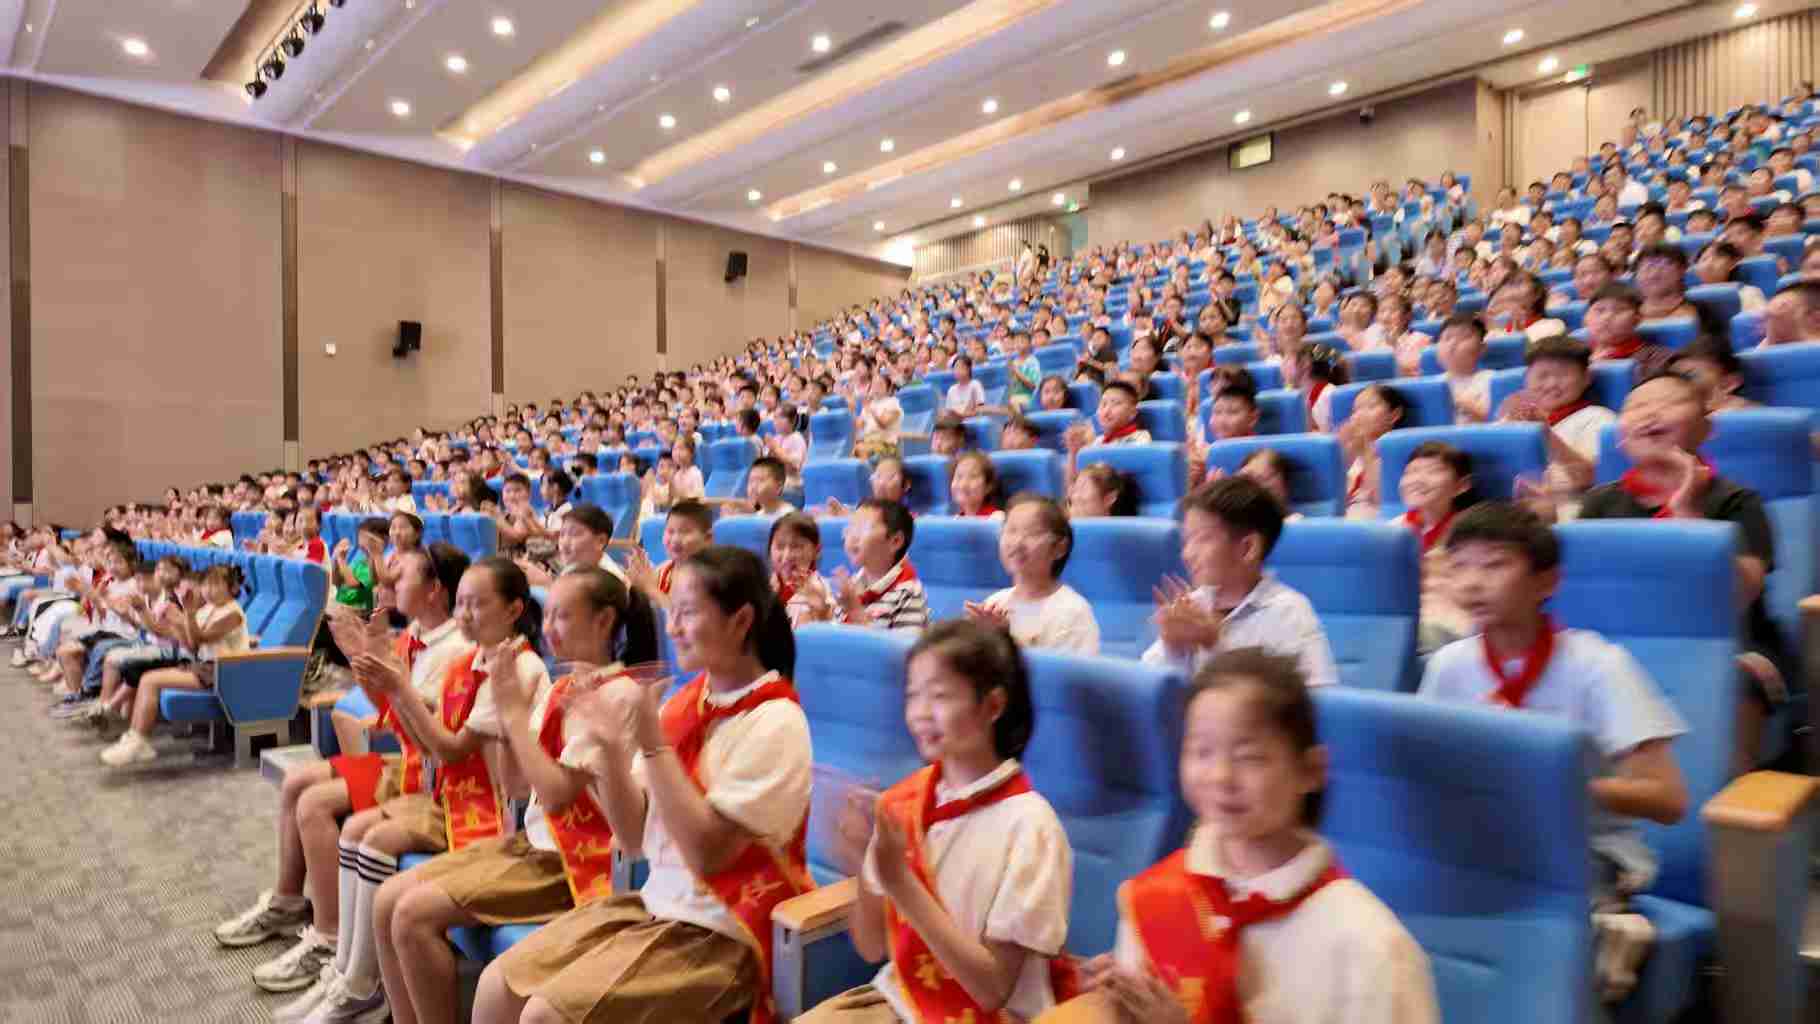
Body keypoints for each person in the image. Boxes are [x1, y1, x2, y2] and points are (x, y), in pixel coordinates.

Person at [471, 546, 812, 1024]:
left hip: (722, 932)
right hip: (658, 903)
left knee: (545, 1016)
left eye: (687, 612)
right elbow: (633, 839)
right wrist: (612, 754)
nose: (672, 627)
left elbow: (708, 855)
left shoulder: (776, 721)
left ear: (741, 621)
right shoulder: (685, 704)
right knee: (498, 985)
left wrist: (651, 744)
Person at [1059, 647, 1438, 1024]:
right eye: (1202, 752)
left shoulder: (1371, 948)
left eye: (1249, 757)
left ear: (1310, 770)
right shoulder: (1157, 896)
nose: (1221, 776)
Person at [1419, 502, 1688, 1004]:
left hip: (1586, 847)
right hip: (1485, 844)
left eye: (1494, 565)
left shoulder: (1598, 666)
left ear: (1546, 581)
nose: (1472, 582)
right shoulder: (1447, 666)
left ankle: (1602, 933)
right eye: (1459, 566)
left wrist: (1561, 786)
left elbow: (1668, 798)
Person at [370, 568, 658, 1024]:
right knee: (388, 898)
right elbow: (518, 787)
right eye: (550, 615)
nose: (549, 628)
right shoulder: (564, 686)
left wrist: (512, 715)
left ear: (604, 621)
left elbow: (557, 795)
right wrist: (507, 722)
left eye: (563, 616)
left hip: (570, 862)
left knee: (411, 913)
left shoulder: (618, 695)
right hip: (532, 844)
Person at [212, 545, 471, 1008]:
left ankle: (330, 936)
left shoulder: (455, 651)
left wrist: (379, 668)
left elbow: (423, 734)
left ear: (435, 590)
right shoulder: (414, 635)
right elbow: (388, 711)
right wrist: (361, 657)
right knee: (297, 782)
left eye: (401, 577)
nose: (388, 584)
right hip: (409, 762)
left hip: (424, 774)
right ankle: (288, 902)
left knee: (314, 803)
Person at [799, 619, 1074, 1024]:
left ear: (993, 706)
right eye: (913, 695)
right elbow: (872, 947)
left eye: (940, 695)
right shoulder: (905, 801)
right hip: (898, 1000)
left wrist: (900, 884)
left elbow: (992, 990)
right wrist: (858, 865)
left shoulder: (1031, 827)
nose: (920, 713)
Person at [1578, 372, 1788, 774]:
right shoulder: (1598, 504)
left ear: (1706, 428)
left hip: (1732, 643)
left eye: (1668, 402)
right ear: (1620, 437)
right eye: (1636, 407)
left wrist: (1688, 514)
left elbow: (1738, 597)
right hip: (1620, 640)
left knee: (1739, 678)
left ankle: (1729, 800)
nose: (1649, 414)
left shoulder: (1736, 500)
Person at [1142, 478, 1338, 687]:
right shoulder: (1193, 606)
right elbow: (1149, 687)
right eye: (1186, 541)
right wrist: (1172, 648)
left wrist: (1214, 645)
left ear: (1248, 548)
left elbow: (1313, 702)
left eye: (1201, 539)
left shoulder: (1290, 613)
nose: (1187, 554)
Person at [100, 563, 250, 766]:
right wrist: (178, 624)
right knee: (147, 678)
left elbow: (202, 638)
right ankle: (135, 739)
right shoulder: (208, 609)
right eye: (206, 585)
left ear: (232, 588)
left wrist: (187, 614)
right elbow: (192, 645)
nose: (208, 590)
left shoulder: (233, 613)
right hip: (205, 666)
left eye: (215, 585)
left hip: (225, 671)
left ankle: (138, 742)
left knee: (151, 680)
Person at [964, 494, 1100, 654]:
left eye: (1032, 533)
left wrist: (1005, 639)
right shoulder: (994, 604)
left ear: (1059, 548)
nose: (1017, 543)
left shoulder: (1074, 613)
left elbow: (1064, 670)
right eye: (1011, 530)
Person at [1498, 337, 1615, 501]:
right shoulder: (1512, 420)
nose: (1551, 384)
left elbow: (1592, 477)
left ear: (1586, 378)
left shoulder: (1599, 418)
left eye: (1563, 375)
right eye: (1542, 376)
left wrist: (1544, 433)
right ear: (1526, 378)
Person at [1396, 441, 1475, 653]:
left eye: (1433, 471)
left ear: (1462, 485)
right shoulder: (1390, 531)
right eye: (1411, 472)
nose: (1418, 480)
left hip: (1451, 625)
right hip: (1402, 620)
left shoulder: (1474, 531)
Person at [834, 499, 930, 632]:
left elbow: (905, 645)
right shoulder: (851, 586)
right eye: (851, 528)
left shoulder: (908, 592)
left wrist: (856, 613)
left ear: (895, 541)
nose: (852, 537)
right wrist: (822, 614)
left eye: (862, 528)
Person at [1338, 384, 1410, 519]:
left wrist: (1365, 453)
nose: (1359, 415)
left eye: (1371, 406)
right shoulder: (1353, 449)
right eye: (1355, 410)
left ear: (1394, 415)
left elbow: (1386, 503)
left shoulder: (1397, 453)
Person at [627, 499, 713, 610]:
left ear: (707, 538)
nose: (675, 539)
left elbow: (684, 615)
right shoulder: (663, 571)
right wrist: (637, 585)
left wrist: (649, 588)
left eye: (685, 532)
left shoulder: (712, 576)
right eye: (670, 531)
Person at [768, 512, 835, 628]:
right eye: (780, 546)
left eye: (796, 547)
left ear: (816, 551)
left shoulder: (822, 592)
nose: (786, 556)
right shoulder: (764, 587)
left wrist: (822, 614)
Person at [1667, 336, 1758, 412]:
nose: (1675, 383)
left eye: (1689, 376)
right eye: (1673, 376)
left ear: (1728, 384)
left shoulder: (1741, 411)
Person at [1435, 314, 1493, 424]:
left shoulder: (1493, 380)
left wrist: (1462, 404)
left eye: (1463, 337)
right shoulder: (1431, 384)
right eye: (1447, 338)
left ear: (1482, 348)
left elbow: (1500, 421)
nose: (1452, 344)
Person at [948, 451, 1005, 520]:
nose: (963, 484)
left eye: (973, 476)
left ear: (988, 487)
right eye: (959, 476)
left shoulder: (997, 518)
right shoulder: (955, 520)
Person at [1067, 463, 1137, 519]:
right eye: (1076, 489)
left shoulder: (1123, 532)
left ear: (1109, 499)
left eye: (1083, 489)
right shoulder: (1065, 528)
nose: (1075, 497)